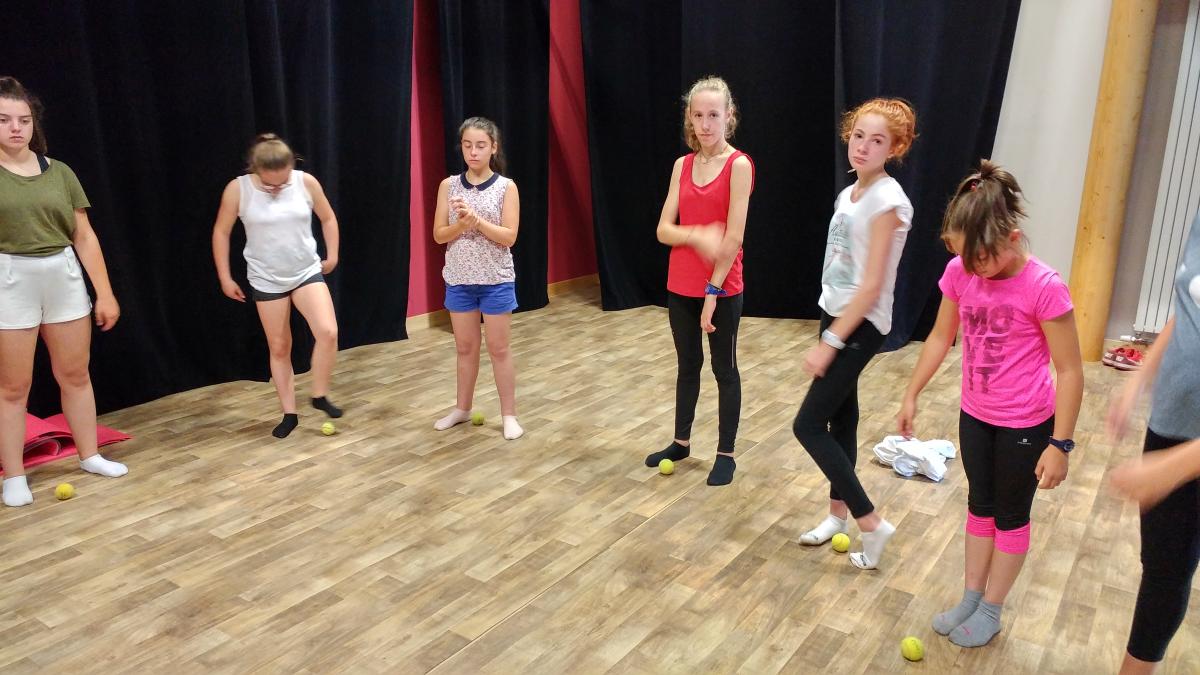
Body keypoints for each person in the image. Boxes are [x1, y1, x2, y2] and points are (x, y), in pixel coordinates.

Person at [897, 161, 1083, 646]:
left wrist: (1060, 445)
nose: (972, 267)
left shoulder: (1044, 286)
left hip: (1026, 423)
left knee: (1010, 515)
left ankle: (992, 610)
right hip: (975, 415)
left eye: (980, 257)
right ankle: (972, 597)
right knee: (979, 506)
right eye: (963, 256)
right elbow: (940, 337)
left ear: (1013, 238)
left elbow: (1070, 370)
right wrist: (912, 393)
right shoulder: (960, 271)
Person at [794, 98, 916, 568]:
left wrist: (831, 343)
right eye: (859, 135)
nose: (863, 146)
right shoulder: (849, 195)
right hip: (836, 313)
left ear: (895, 148)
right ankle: (836, 517)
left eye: (877, 140)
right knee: (842, 420)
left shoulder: (889, 202)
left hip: (861, 325)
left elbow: (871, 287)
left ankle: (871, 521)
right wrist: (829, 327)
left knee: (807, 424)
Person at [0, 76, 128, 507]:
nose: (15, 128)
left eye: (23, 120)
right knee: (13, 387)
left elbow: (84, 236)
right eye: (4, 120)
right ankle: (14, 476)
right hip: (10, 277)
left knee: (75, 374)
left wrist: (105, 293)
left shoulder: (60, 172)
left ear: (34, 123)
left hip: (63, 274)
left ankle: (90, 455)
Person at [642, 76, 754, 486]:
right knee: (688, 365)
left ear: (728, 116)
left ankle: (726, 454)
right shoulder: (682, 165)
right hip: (680, 284)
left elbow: (734, 237)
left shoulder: (739, 165)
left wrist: (712, 292)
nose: (706, 124)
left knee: (725, 368)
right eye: (698, 115)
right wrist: (696, 234)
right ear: (689, 118)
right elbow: (663, 230)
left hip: (722, 286)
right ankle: (681, 442)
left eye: (713, 115)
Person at [1107, 209, 1200, 674]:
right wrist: (1139, 378)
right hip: (1174, 421)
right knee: (1164, 569)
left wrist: (1175, 467)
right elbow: (1188, 304)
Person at [212, 134, 342, 438]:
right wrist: (225, 277)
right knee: (280, 346)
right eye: (270, 185)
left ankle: (319, 394)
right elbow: (221, 232)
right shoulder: (238, 189)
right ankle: (289, 413)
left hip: (305, 270)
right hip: (266, 277)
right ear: (256, 170)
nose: (277, 189)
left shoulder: (305, 182)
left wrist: (333, 254)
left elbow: (328, 218)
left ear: (290, 166)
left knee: (328, 331)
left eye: (282, 182)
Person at [431, 117, 524, 441]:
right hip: (459, 280)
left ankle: (509, 415)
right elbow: (439, 235)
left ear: (493, 148)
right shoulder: (448, 186)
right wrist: (461, 224)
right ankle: (462, 408)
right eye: (467, 145)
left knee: (499, 349)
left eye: (481, 145)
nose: (473, 152)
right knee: (465, 348)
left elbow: (509, 236)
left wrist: (476, 221)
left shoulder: (506, 187)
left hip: (496, 280)